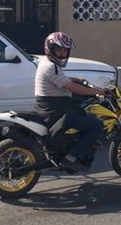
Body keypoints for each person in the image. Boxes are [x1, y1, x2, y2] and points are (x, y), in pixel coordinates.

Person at [34, 32, 106, 170]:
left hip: (48, 106)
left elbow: (61, 80)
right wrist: (97, 91)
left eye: (65, 50)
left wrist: (76, 79)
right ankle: (71, 157)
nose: (62, 53)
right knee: (96, 124)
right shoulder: (51, 66)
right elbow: (73, 88)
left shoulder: (48, 63)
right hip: (55, 110)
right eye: (59, 49)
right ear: (50, 48)